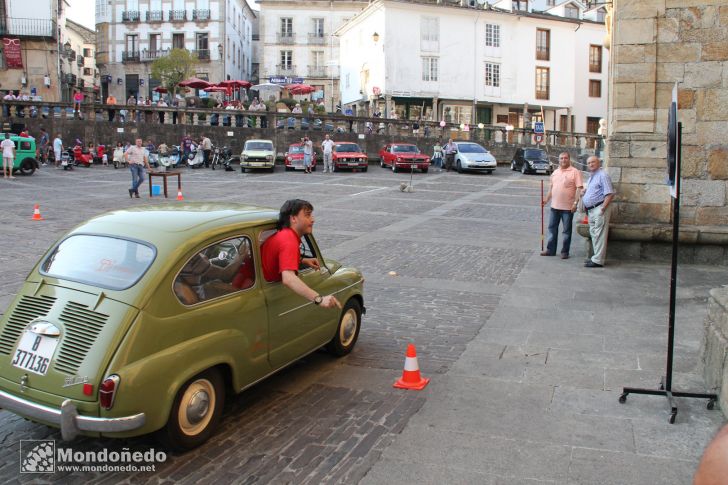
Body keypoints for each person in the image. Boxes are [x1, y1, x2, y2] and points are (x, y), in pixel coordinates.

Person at [261, 199, 341, 309]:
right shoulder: (289, 240)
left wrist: (303, 261)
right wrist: (319, 299)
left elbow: (278, 258)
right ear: (293, 218)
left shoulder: (284, 235)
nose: (312, 220)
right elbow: (288, 278)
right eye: (307, 215)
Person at [541, 152, 583, 259]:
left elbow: (579, 188)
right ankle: (551, 250)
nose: (563, 160)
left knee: (566, 231)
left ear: (569, 159)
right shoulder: (555, 172)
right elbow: (551, 188)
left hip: (568, 208)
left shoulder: (575, 172)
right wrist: (546, 199)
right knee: (552, 229)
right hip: (554, 207)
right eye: (561, 158)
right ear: (558, 160)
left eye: (565, 158)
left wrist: (575, 203)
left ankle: (565, 252)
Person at [582, 156, 615, 268]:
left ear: (598, 163)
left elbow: (609, 193)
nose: (591, 164)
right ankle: (595, 257)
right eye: (589, 163)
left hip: (599, 208)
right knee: (595, 234)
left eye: (593, 162)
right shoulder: (592, 176)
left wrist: (602, 208)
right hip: (591, 210)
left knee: (600, 234)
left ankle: (598, 260)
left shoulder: (603, 175)